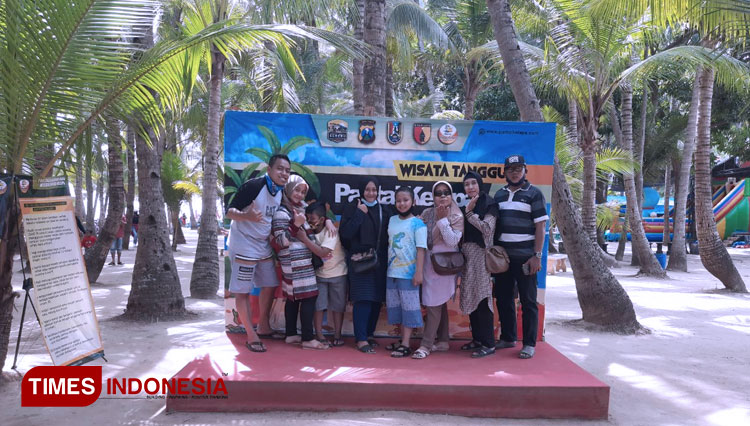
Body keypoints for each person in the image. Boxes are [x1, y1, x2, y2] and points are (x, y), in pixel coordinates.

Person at [225, 153, 291, 353]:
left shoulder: (279, 192)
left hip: (262, 246)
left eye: (287, 170)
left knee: (270, 284)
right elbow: (229, 212)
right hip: (243, 244)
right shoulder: (254, 186)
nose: (284, 173)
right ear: (269, 169)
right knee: (243, 291)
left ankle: (263, 326)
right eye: (280, 168)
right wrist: (247, 216)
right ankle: (251, 335)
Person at [493, 155, 548, 359]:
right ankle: (508, 338)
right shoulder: (499, 194)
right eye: (510, 169)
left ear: (525, 170)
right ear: (505, 172)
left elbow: (540, 226)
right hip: (503, 259)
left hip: (526, 258)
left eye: (518, 169)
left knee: (528, 302)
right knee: (504, 299)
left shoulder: (534, 194)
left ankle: (529, 343)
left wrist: (537, 256)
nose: (514, 172)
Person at [270, 175, 328, 350]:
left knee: (293, 298)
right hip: (294, 262)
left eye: (303, 192)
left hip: (302, 260)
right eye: (297, 190)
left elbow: (317, 220)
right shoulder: (281, 212)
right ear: (288, 189)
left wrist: (329, 221)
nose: (300, 195)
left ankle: (291, 334)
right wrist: (295, 225)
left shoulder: (302, 208)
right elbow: (280, 242)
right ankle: (308, 339)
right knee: (309, 297)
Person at [339, 176, 392, 354]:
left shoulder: (384, 210)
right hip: (359, 261)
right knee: (363, 299)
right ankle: (360, 339)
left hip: (379, 262)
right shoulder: (352, 208)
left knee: (376, 300)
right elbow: (345, 235)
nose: (371, 193)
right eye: (368, 189)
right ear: (362, 190)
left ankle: (369, 334)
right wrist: (359, 214)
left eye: (374, 190)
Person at [412, 181, 464, 359]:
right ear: (433, 196)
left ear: (451, 195)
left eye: (446, 192)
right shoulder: (427, 213)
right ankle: (442, 341)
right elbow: (425, 240)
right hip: (429, 263)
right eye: (438, 193)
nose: (442, 196)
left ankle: (425, 345)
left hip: (446, 266)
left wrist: (442, 221)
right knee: (437, 302)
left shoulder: (457, 215)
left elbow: (452, 241)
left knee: (434, 303)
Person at [296, 202, 347, 347]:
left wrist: (304, 239)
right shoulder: (307, 230)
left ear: (322, 219)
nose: (310, 222)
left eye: (313, 219)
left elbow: (323, 252)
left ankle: (337, 335)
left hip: (338, 274)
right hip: (319, 275)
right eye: (308, 219)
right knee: (319, 307)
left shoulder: (330, 231)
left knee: (338, 307)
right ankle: (319, 334)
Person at [384, 186, 426, 358]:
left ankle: (407, 344)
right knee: (398, 309)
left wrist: (419, 273)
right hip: (392, 273)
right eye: (398, 200)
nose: (402, 203)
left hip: (409, 275)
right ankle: (402, 340)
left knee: (410, 309)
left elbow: (421, 249)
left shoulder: (418, 223)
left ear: (413, 202)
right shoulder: (392, 219)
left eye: (405, 200)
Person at [460, 171, 498, 358]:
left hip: (482, 257)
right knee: (470, 296)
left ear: (480, 184)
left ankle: (489, 343)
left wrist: (469, 213)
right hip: (467, 257)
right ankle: (477, 339)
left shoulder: (489, 203)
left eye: (473, 183)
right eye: (467, 184)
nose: (470, 187)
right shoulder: (465, 205)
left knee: (482, 298)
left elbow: (487, 229)